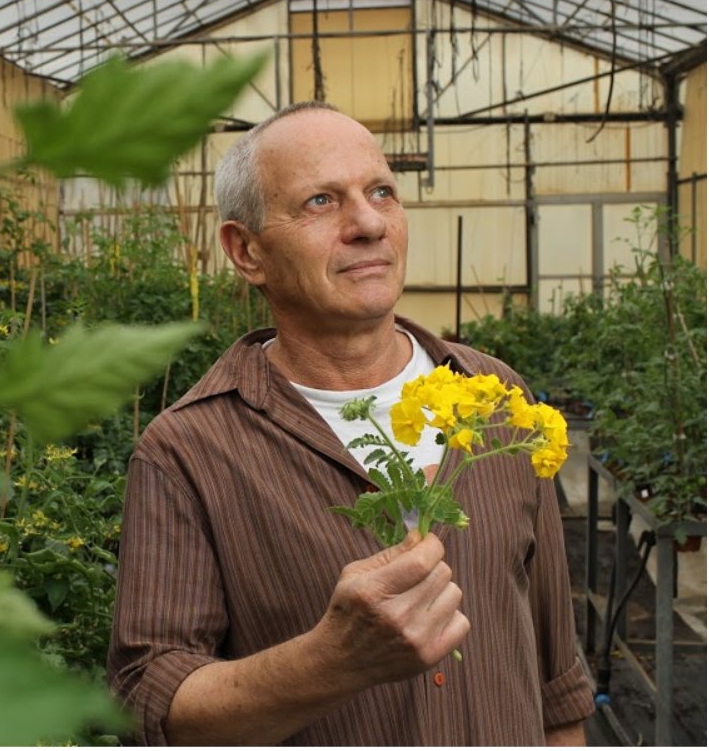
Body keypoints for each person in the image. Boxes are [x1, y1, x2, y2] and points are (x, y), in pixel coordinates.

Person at [106, 102, 594, 746]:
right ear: (246, 250)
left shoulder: (496, 398)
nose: (367, 224)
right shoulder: (189, 451)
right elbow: (149, 698)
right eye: (319, 202)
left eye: (382, 192)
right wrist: (329, 663)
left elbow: (556, 678)